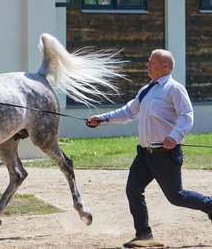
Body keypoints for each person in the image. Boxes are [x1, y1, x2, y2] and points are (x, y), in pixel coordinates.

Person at [87, 49, 212, 248]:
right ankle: (144, 235)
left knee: (176, 197)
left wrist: (175, 136)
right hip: (144, 153)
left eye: (151, 62)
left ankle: (210, 205)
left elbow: (186, 116)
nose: (147, 65)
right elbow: (128, 112)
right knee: (133, 190)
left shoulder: (174, 89)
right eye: (148, 62)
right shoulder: (147, 89)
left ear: (166, 67)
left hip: (165, 153)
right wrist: (102, 119)